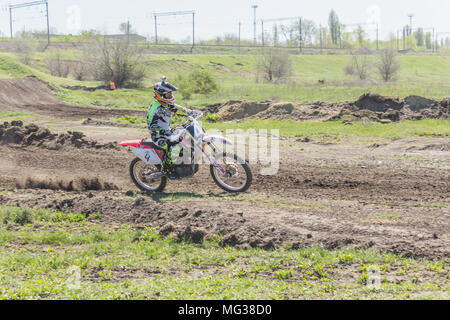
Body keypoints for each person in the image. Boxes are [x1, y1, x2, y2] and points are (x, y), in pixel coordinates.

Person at [147, 77, 195, 180]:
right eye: (168, 94)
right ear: (161, 94)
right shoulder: (155, 108)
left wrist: (191, 112)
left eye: (171, 94)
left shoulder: (167, 104)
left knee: (185, 140)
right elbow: (151, 125)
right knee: (173, 146)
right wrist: (160, 130)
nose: (171, 96)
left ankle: (182, 164)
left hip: (167, 132)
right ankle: (166, 170)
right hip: (158, 135)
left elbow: (179, 109)